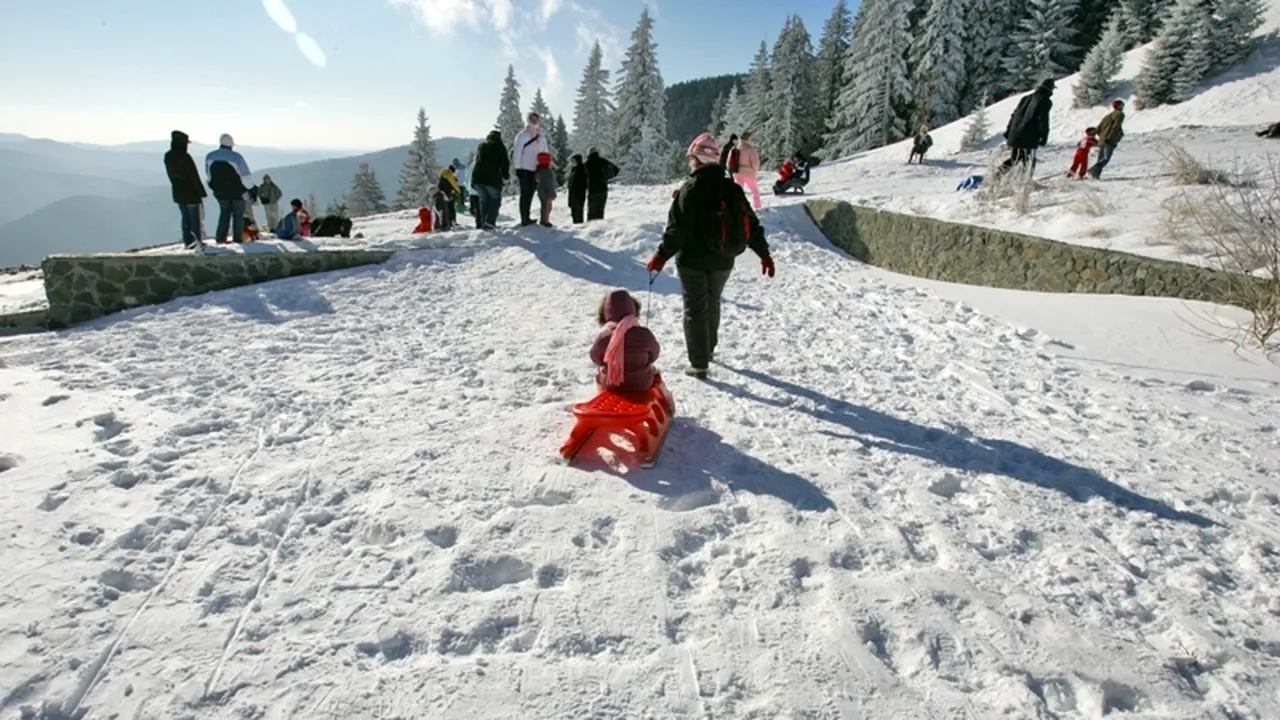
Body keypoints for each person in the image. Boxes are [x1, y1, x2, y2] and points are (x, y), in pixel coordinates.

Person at [646, 132, 775, 379]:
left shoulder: (691, 188)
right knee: (712, 300)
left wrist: (661, 256)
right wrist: (764, 254)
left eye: (691, 158)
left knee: (695, 308)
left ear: (696, 159)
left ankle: (699, 362)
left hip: (693, 261)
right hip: (723, 259)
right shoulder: (731, 187)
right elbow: (751, 222)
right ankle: (709, 350)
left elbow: (678, 230)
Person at [589, 288, 661, 395]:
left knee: (599, 373)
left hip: (611, 384)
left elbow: (595, 357)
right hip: (641, 384)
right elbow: (654, 354)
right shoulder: (644, 334)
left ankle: (601, 393)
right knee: (654, 371)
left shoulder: (604, 336)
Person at [999, 78, 1055, 175]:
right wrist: (1044, 135)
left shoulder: (1026, 98)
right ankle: (1024, 182)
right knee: (1027, 160)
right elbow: (1043, 119)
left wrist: (1008, 131)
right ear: (1050, 89)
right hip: (1028, 136)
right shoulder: (1045, 101)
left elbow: (1015, 115)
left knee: (1015, 158)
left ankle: (997, 175)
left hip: (1015, 133)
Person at [205, 133, 253, 244]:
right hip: (237, 192)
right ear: (231, 145)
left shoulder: (210, 157)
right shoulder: (236, 157)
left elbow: (209, 176)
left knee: (224, 214)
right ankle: (238, 239)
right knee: (238, 216)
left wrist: (214, 187)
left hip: (220, 192)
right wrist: (250, 189)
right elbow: (246, 178)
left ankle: (221, 239)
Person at [163, 130, 207, 249]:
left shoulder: (168, 156)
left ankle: (187, 241)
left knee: (185, 218)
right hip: (191, 192)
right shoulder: (185, 157)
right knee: (194, 219)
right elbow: (194, 176)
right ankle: (196, 241)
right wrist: (201, 191)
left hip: (177, 191)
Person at [511, 112, 550, 226]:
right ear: (528, 120)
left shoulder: (541, 136)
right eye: (532, 119)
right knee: (525, 193)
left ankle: (528, 216)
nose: (534, 121)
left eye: (536, 119)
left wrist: (545, 166)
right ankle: (524, 218)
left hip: (536, 169)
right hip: (524, 169)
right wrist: (517, 167)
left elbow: (545, 152)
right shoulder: (522, 135)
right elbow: (517, 151)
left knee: (531, 192)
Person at [472, 130, 509, 229]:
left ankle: (483, 222)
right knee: (495, 201)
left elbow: (477, 162)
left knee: (484, 200)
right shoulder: (500, 148)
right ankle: (490, 221)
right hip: (492, 180)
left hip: (477, 179)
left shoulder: (482, 146)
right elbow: (504, 164)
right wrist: (506, 176)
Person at [1089, 99, 1125, 179]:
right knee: (1105, 159)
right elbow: (1116, 127)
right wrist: (1112, 137)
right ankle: (1091, 171)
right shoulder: (1120, 114)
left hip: (1102, 139)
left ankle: (1095, 176)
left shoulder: (1107, 116)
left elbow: (1098, 128)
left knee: (1100, 159)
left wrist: (1101, 136)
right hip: (1109, 140)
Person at [584, 147, 619, 221]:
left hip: (592, 190)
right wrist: (606, 177)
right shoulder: (603, 161)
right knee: (600, 210)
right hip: (603, 189)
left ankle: (590, 228)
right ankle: (600, 227)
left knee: (592, 211)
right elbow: (616, 169)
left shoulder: (587, 164)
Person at [734, 132, 762, 209]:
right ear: (748, 139)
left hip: (737, 172)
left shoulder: (737, 148)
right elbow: (755, 162)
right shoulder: (750, 148)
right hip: (748, 173)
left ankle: (736, 207)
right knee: (755, 192)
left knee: (737, 192)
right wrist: (754, 170)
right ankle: (757, 207)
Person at [535, 151, 557, 227]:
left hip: (540, 191)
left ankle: (543, 220)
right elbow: (549, 184)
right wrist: (552, 194)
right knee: (547, 207)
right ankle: (545, 221)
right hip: (546, 192)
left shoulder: (538, 170)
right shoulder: (547, 171)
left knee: (544, 206)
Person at [437, 162, 462, 230]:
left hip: (441, 192)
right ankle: (452, 221)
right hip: (447, 192)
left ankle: (447, 222)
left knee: (445, 208)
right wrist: (458, 191)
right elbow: (453, 183)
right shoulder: (449, 173)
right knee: (451, 207)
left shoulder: (443, 174)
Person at [566, 154, 587, 224]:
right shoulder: (574, 169)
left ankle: (579, 225)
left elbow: (582, 182)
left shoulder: (582, 169)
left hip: (579, 193)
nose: (572, 163)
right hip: (573, 193)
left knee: (578, 212)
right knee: (574, 212)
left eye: (574, 161)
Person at [464, 155, 482, 229]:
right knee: (480, 209)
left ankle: (478, 224)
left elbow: (466, 180)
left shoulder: (471, 167)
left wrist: (469, 190)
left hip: (472, 192)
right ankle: (481, 224)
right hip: (479, 191)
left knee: (476, 209)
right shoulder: (480, 165)